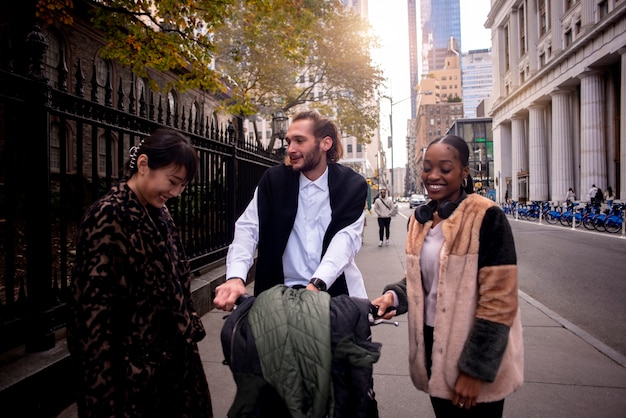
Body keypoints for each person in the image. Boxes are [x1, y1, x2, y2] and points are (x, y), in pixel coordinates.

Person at [372, 134, 523, 417]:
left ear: (464, 172)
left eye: (445, 168)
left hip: (473, 353)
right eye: (427, 167)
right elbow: (419, 279)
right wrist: (394, 297)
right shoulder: (421, 220)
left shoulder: (487, 216)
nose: (433, 176)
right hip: (431, 349)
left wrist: (475, 370)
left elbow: (500, 302)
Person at [66, 128, 213, 417]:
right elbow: (92, 318)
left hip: (173, 370)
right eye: (172, 182)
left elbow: (176, 283)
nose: (175, 193)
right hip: (131, 382)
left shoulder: (158, 212)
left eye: (182, 185)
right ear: (143, 165)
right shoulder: (108, 216)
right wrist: (103, 395)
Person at [213, 109, 369, 312]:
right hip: (277, 299)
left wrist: (316, 286)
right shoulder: (273, 180)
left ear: (325, 143)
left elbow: (345, 240)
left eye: (299, 141)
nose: (291, 149)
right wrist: (235, 277)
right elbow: (248, 229)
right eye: (289, 142)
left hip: (335, 296)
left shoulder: (352, 185)